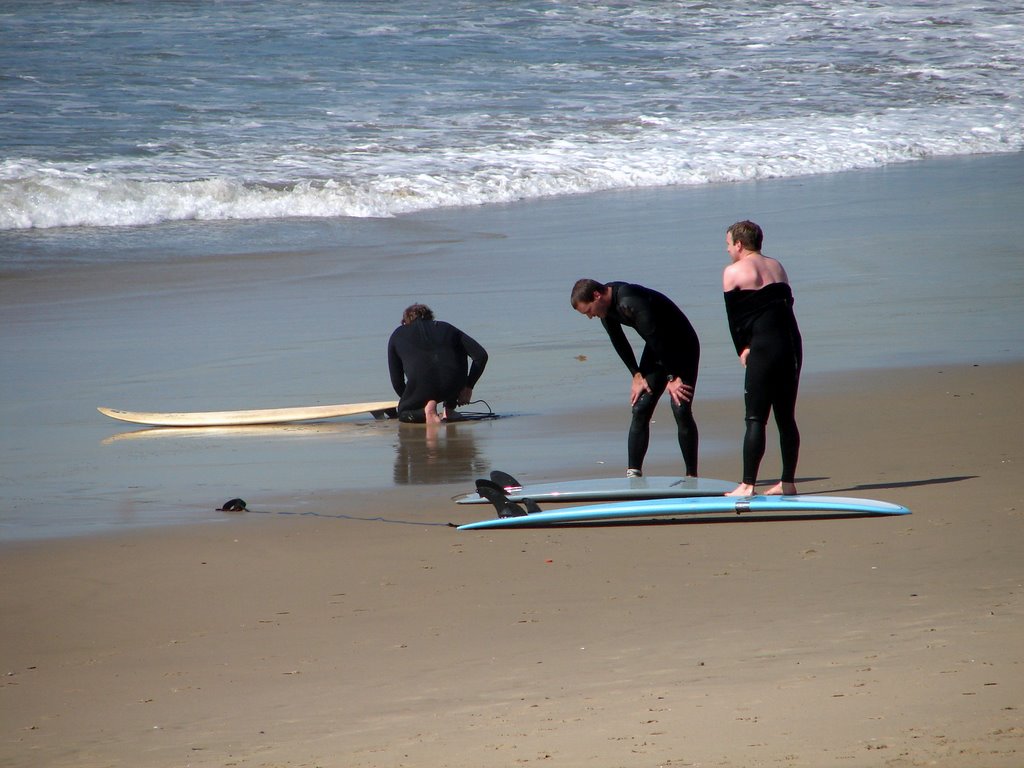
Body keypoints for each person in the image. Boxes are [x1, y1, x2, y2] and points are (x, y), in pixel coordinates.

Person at [571, 279, 700, 477]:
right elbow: (619, 340)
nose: (590, 316)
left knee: (680, 408)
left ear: (596, 296)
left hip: (683, 346)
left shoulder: (629, 300)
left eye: (588, 310)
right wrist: (636, 375)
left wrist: (672, 377)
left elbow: (656, 336)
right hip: (657, 348)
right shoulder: (606, 308)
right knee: (640, 408)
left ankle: (692, 476)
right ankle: (633, 473)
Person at [722, 220, 803, 497]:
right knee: (786, 417)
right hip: (791, 343)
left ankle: (747, 485)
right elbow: (784, 305)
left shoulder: (733, 272)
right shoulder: (777, 266)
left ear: (739, 244)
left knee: (755, 418)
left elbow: (735, 319)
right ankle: (788, 482)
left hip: (764, 347)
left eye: (729, 244)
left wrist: (743, 348)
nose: (728, 250)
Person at [387, 304, 488, 424]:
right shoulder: (447, 328)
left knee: (403, 412)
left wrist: (411, 399)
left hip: (421, 386)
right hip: (453, 384)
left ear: (405, 322)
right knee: (451, 357)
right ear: (431, 318)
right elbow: (481, 356)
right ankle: (449, 409)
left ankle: (425, 412)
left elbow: (397, 382)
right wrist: (468, 386)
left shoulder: (396, 335)